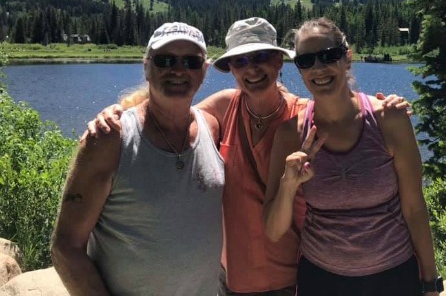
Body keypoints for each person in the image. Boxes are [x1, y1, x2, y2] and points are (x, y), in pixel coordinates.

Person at [87, 17, 410, 296]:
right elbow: (167, 117)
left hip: (293, 278)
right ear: (230, 69)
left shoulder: (305, 119)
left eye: (261, 57)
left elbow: (349, 115)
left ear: (279, 62)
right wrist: (119, 113)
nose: (251, 68)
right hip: (232, 281)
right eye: (240, 61)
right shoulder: (224, 107)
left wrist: (386, 105)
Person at [263, 17, 441, 296]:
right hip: (321, 280)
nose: (318, 68)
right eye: (306, 60)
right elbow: (274, 231)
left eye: (329, 56)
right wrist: (289, 185)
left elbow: (414, 208)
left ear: (347, 58)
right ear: (298, 69)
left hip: (393, 276)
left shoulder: (389, 119)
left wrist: (431, 282)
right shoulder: (290, 134)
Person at [51, 22, 225, 296]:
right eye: (165, 60)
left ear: (204, 71)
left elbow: (254, 98)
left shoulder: (212, 127)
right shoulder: (110, 139)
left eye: (191, 61)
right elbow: (65, 248)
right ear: (146, 67)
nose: (178, 69)